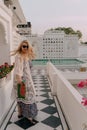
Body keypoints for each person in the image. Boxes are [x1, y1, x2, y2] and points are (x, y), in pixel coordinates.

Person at [11, 40, 37, 124]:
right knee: (26, 97)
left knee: (22, 97)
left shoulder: (26, 55)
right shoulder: (19, 56)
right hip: (22, 80)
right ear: (21, 47)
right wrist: (19, 80)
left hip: (27, 79)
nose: (24, 48)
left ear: (28, 47)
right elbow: (18, 69)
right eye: (23, 46)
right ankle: (29, 116)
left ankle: (20, 113)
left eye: (26, 46)